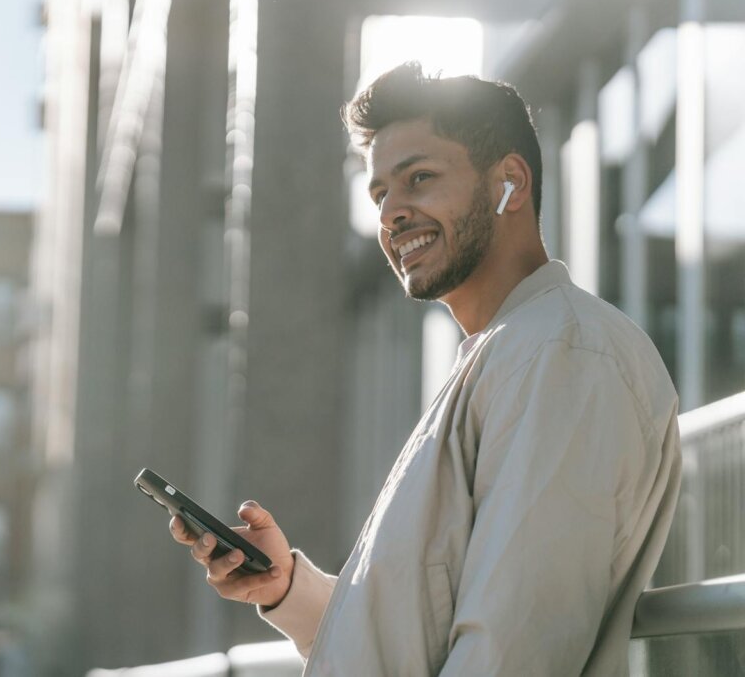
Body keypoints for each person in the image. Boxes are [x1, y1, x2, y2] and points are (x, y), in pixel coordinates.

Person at [169, 62, 681, 676]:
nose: (392, 214)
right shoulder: (511, 353)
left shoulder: (560, 355)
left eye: (420, 178)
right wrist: (286, 588)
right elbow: (424, 636)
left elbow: (511, 650)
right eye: (381, 194)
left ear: (509, 184)